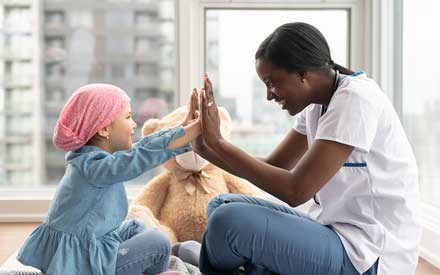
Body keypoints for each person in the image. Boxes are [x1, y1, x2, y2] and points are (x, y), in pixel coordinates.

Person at [191, 22, 421, 275]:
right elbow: (275, 165)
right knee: (219, 206)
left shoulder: (356, 99)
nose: (269, 95)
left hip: (370, 254)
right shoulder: (316, 103)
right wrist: (207, 149)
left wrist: (219, 144)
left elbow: (296, 190)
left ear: (303, 74)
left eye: (272, 82)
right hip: (335, 231)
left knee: (228, 223)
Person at [17, 83, 200, 275]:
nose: (134, 124)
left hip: (89, 246)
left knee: (135, 226)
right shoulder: (96, 167)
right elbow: (141, 155)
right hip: (82, 266)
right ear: (104, 129)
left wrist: (183, 129)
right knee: (159, 242)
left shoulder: (87, 159)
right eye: (128, 117)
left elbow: (144, 146)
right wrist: (193, 131)